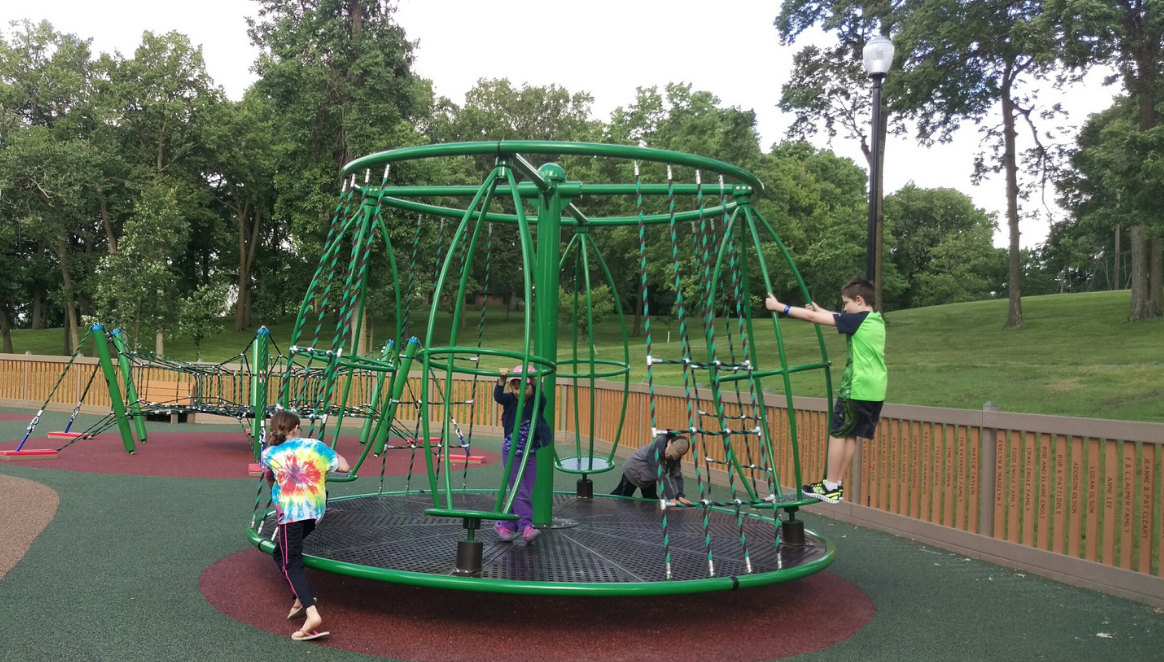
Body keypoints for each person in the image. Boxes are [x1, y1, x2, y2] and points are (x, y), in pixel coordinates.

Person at [764, 276, 886, 504]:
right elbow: (832, 317)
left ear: (858, 300)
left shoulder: (857, 320)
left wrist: (780, 307)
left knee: (838, 432)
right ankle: (835, 484)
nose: (844, 308)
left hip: (856, 388)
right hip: (875, 390)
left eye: (846, 303)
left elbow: (812, 317)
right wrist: (823, 310)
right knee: (850, 434)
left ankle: (829, 486)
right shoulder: (875, 320)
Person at [260, 410, 350, 641]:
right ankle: (301, 597)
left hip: (292, 513)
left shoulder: (270, 452)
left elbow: (269, 478)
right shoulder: (315, 445)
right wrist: (333, 454)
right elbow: (345, 467)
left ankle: (311, 613)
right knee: (281, 553)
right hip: (315, 511)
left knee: (292, 563)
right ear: (297, 427)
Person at [492, 366, 553, 543]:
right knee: (519, 491)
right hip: (511, 452)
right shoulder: (511, 400)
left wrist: (535, 381)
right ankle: (526, 527)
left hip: (530, 453)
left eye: (524, 388)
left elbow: (541, 397)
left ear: (531, 388)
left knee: (526, 490)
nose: (519, 392)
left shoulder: (535, 402)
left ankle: (504, 524)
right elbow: (498, 396)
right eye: (516, 388)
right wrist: (502, 381)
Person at [611, 431, 693, 506]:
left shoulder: (676, 456)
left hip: (649, 477)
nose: (669, 456)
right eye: (670, 452)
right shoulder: (655, 450)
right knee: (623, 499)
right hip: (633, 470)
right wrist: (671, 498)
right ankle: (607, 509)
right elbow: (660, 475)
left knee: (651, 502)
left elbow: (675, 474)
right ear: (669, 442)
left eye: (673, 456)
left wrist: (679, 495)